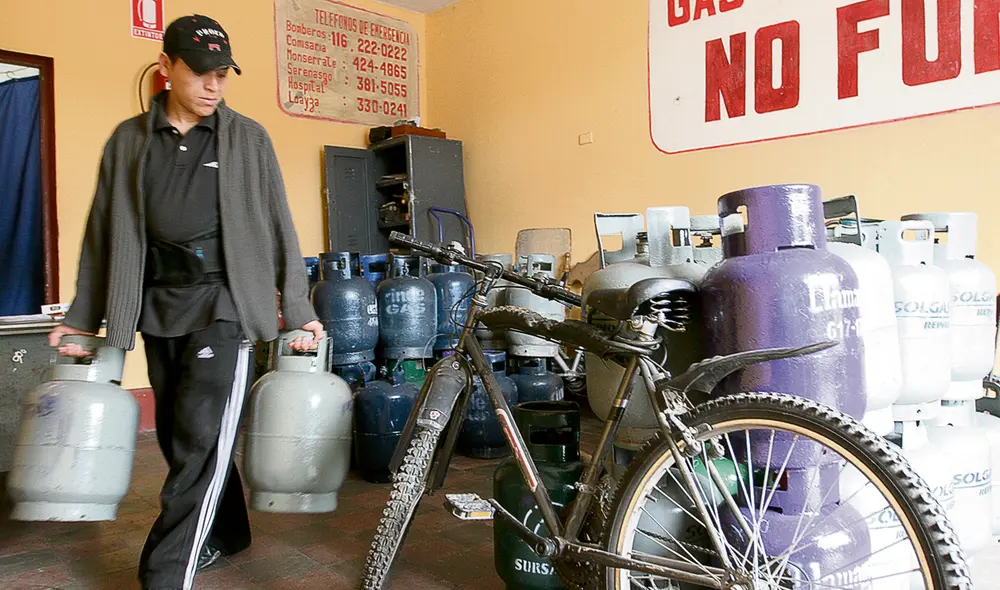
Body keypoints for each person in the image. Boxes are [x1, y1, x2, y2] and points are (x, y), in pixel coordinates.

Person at [48, 14, 323, 590]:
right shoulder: (129, 141)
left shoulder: (247, 139)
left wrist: (299, 310)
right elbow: (102, 233)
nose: (213, 86)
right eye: (200, 73)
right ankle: (230, 530)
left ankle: (164, 573)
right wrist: (81, 318)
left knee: (200, 437)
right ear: (166, 67)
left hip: (225, 302)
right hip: (158, 304)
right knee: (182, 437)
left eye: (222, 75)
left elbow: (281, 225)